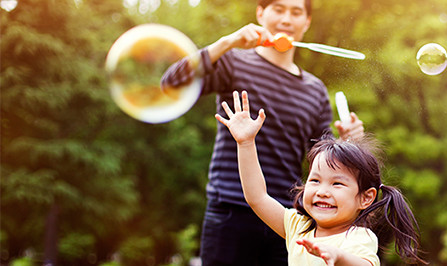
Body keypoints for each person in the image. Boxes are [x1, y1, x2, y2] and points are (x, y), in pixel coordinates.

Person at [161, 0, 364, 264]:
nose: (286, 19)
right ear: (260, 13)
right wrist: (227, 42)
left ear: (307, 22)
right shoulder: (233, 63)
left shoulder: (315, 90)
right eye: (278, 9)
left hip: (286, 218)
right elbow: (171, 84)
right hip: (230, 210)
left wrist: (347, 144)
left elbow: (320, 159)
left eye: (295, 12)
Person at [215, 90, 427, 265]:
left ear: (366, 198)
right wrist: (245, 143)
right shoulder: (297, 226)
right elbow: (257, 197)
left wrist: (339, 256)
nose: (322, 191)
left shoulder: (358, 237)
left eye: (337, 183)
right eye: (315, 180)